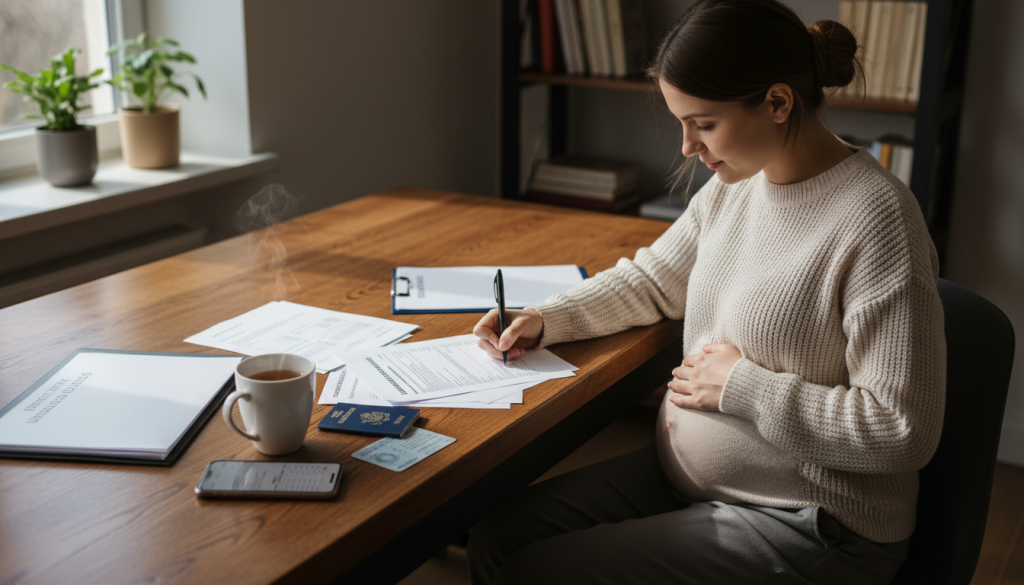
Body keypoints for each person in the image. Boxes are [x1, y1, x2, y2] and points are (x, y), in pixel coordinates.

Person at [467, 0, 946, 583]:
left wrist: (744, 387)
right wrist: (545, 318)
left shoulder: (878, 219)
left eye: (704, 123)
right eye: (681, 123)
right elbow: (652, 280)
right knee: (492, 538)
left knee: (535, 571)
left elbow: (902, 430)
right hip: (688, 481)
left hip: (811, 520)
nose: (688, 147)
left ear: (777, 102)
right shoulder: (734, 188)